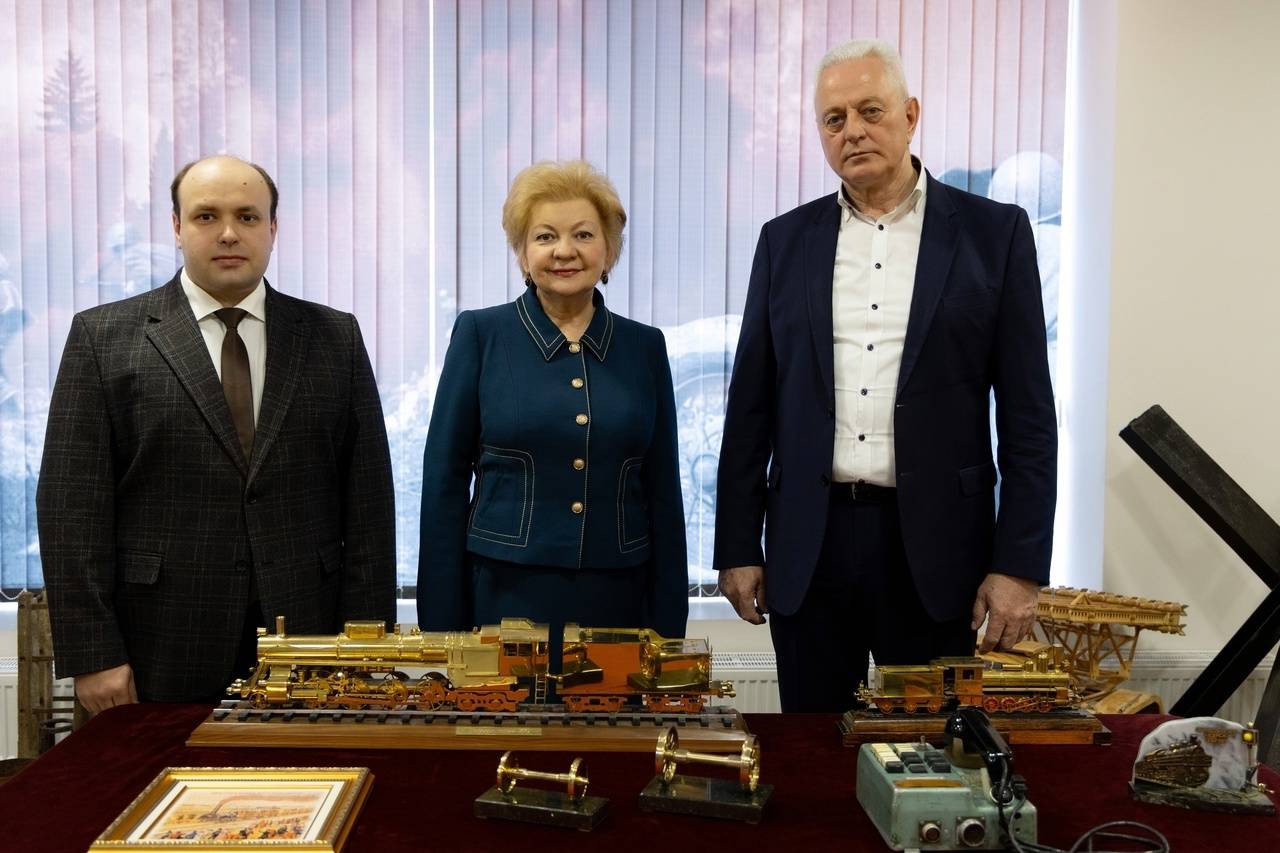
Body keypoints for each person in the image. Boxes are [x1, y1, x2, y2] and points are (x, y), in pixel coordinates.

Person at [713, 39, 1057, 712]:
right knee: (813, 748)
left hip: (938, 547)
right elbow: (750, 409)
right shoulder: (784, 241)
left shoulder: (994, 235)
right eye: (833, 118)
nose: (853, 130)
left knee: (934, 751)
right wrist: (737, 545)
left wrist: (1019, 565)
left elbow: (1029, 419)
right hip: (810, 546)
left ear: (910, 115)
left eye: (870, 110)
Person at [37, 155, 396, 710]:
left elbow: (368, 506)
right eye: (206, 216)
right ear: (177, 227)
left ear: (273, 228)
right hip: (157, 641)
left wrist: (367, 645)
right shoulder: (103, 337)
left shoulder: (334, 337)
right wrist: (94, 653)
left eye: (247, 217)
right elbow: (70, 509)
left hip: (308, 638)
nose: (229, 233)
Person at [418, 160, 687, 641]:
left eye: (583, 235)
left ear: (609, 251)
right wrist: (441, 626)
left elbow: (664, 491)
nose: (565, 251)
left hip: (619, 601)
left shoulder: (645, 347)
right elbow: (445, 484)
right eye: (545, 237)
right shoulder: (481, 334)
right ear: (522, 254)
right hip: (503, 595)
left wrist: (668, 626)